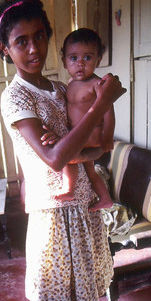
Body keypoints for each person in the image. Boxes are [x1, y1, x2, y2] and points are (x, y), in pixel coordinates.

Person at [0, 0, 126, 301]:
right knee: (51, 297)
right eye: (20, 41)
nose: (33, 49)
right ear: (4, 48)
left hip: (80, 203)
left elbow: (96, 147)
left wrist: (81, 151)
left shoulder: (57, 86)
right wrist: (102, 105)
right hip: (52, 211)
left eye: (39, 37)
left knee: (73, 286)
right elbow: (53, 158)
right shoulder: (16, 98)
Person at [43, 27, 114, 211]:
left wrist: (107, 136)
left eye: (87, 58)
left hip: (91, 137)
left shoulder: (97, 84)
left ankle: (69, 188)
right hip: (80, 136)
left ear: (98, 60)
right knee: (90, 171)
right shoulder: (70, 84)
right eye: (74, 58)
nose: (80, 64)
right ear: (65, 62)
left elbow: (108, 110)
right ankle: (105, 198)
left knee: (68, 157)